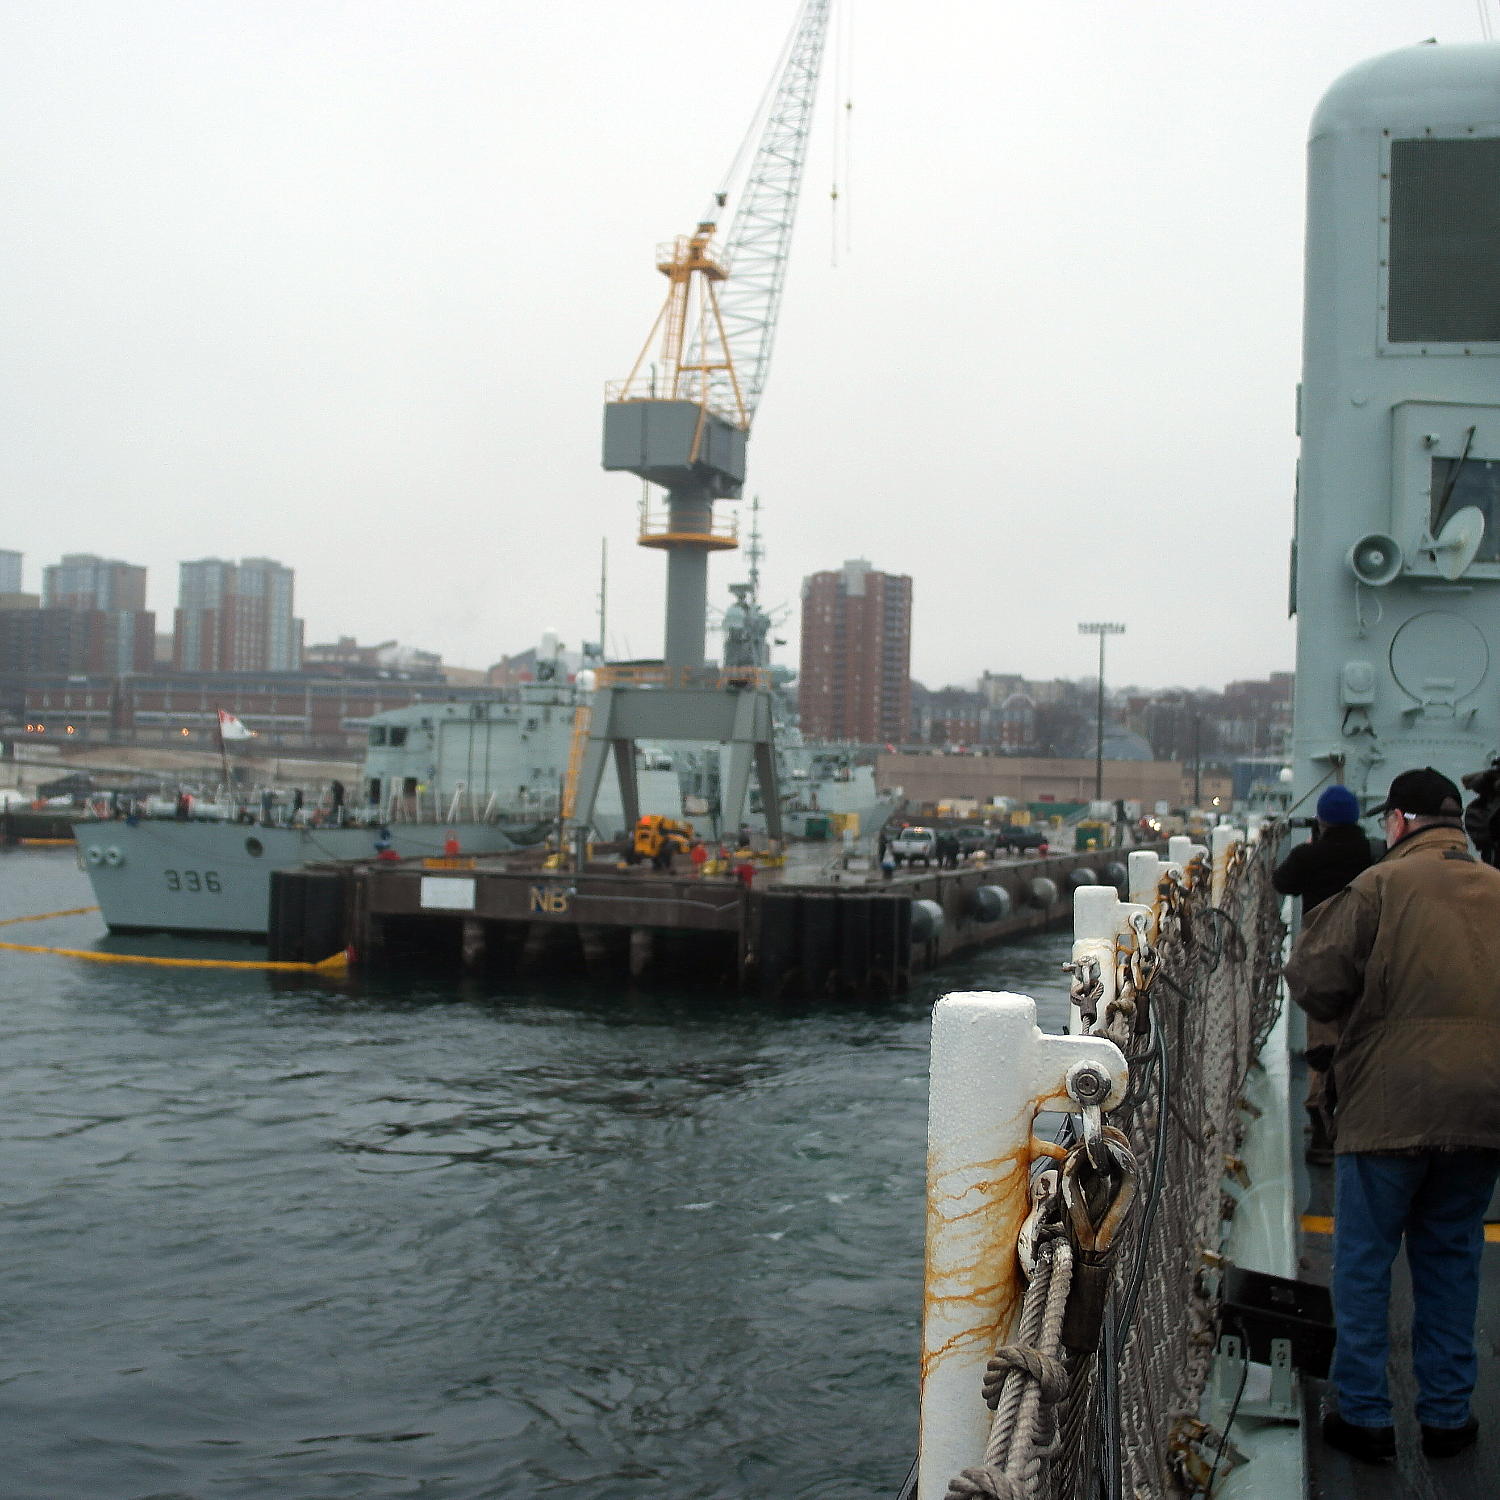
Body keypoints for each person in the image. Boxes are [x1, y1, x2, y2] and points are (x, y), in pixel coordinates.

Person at [1285, 766, 1500, 1463]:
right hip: (1483, 1105)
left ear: (1400, 821)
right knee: (1452, 1257)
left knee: (1366, 1260)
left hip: (1386, 1107)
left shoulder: (1380, 886)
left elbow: (1316, 981)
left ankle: (1366, 1415)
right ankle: (1446, 1417)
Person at [1273, 784, 1374, 1162]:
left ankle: (1322, 1129)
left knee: (1323, 1043)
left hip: (1322, 958)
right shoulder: (1373, 853)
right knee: (1363, 1035)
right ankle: (1359, 1117)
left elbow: (1282, 882)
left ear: (1323, 818)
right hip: (1368, 953)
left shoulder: (1309, 856)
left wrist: (1313, 846)